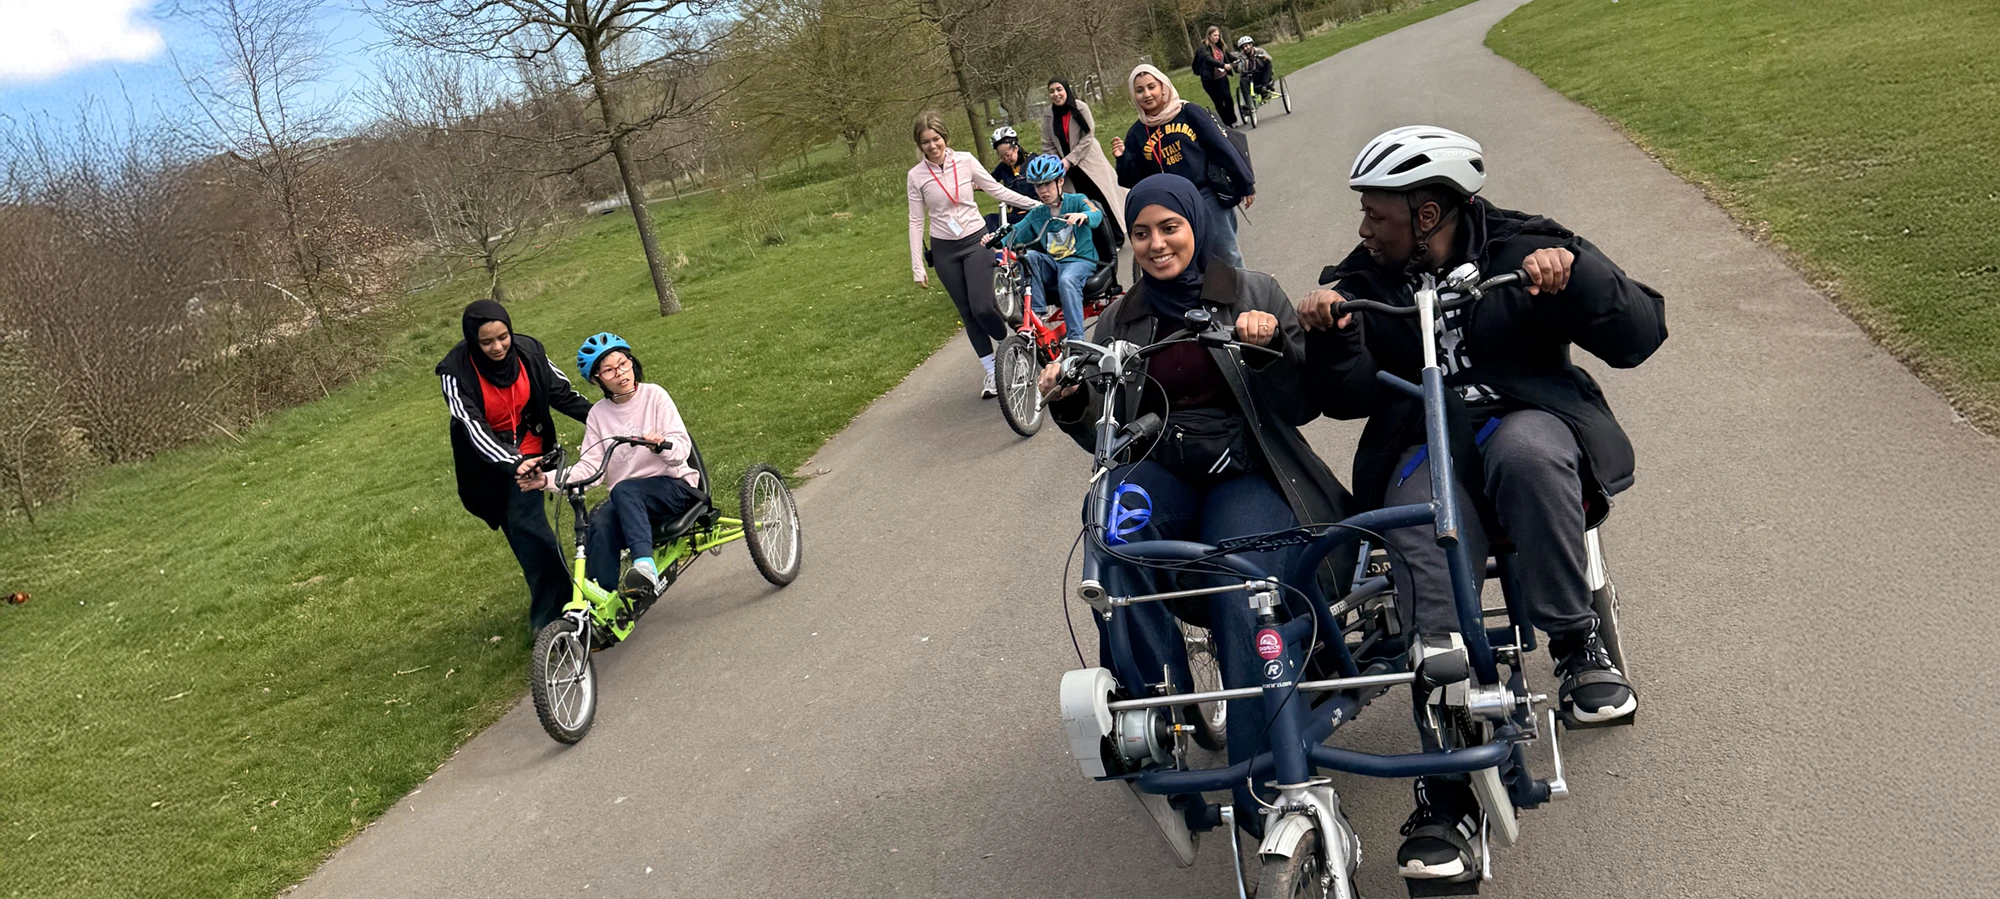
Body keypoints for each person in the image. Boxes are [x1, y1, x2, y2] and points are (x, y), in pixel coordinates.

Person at [1298, 125, 1667, 884]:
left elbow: (1641, 332)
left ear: (1428, 214)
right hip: (1425, 444)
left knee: (1530, 455)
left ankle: (1575, 643)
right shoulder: (1364, 277)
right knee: (1418, 521)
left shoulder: (1525, 246)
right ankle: (1448, 783)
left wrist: (1580, 276)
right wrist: (1334, 336)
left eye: (1380, 215)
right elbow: (1345, 396)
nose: (1365, 230)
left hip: (1520, 416)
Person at [1039, 173, 1352, 835]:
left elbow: (1303, 403)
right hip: (1165, 469)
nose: (1156, 244)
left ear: (1196, 227)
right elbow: (1107, 423)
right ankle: (1157, 706)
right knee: (1108, 519)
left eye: (1169, 228)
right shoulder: (1119, 318)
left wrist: (1268, 349)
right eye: (1142, 233)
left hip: (1249, 470)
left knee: (1245, 589)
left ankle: (1263, 786)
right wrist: (1070, 400)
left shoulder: (1250, 291)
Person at [514, 333, 705, 612]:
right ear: (596, 380)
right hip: (630, 500)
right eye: (609, 370)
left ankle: (644, 566)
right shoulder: (598, 415)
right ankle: (601, 608)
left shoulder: (655, 396)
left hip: (674, 488)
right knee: (599, 523)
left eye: (623, 363)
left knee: (623, 490)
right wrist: (546, 479)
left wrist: (659, 446)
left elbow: (680, 448)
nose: (620, 373)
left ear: (632, 362)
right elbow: (590, 467)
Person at [436, 299, 593, 632]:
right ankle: (555, 617)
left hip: (532, 447)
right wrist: (513, 462)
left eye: (503, 337)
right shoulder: (455, 370)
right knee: (527, 534)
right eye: (487, 341)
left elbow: (561, 393)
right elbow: (471, 425)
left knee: (529, 530)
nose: (498, 347)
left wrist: (609, 417)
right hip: (490, 463)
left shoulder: (529, 352)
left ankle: (561, 612)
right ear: (472, 341)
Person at [906, 110, 1040, 399]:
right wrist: (918, 265)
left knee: (982, 307)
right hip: (944, 249)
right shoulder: (915, 176)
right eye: (925, 141)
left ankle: (1011, 354)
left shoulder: (965, 161)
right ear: (920, 144)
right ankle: (992, 370)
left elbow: (996, 190)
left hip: (977, 241)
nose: (932, 146)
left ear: (945, 138)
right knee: (967, 313)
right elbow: (916, 220)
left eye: (936, 139)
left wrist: (1036, 205)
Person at [1111, 65, 1256, 270]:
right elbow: (1134, 181)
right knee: (1188, 262)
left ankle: (1244, 298)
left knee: (1226, 255)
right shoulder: (1137, 133)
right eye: (1140, 90)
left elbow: (1222, 148)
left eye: (1151, 87)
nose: (1147, 94)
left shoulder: (1188, 113)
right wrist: (1123, 158)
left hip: (1205, 196)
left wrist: (1245, 183)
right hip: (1170, 207)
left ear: (1163, 87)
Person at [996, 154, 1102, 328]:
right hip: (1054, 265)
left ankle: (1076, 339)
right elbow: (1015, 233)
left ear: (1060, 182)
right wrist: (995, 240)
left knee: (1067, 280)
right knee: (1028, 256)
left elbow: (1095, 214)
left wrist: (1083, 215)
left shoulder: (1077, 200)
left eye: (1047, 184)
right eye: (1038, 186)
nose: (1043, 191)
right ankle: (1038, 315)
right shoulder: (1037, 214)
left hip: (1081, 262)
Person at [1040, 78, 1128, 240]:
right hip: (1066, 169)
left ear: (1066, 90)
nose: (1056, 94)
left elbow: (1088, 137)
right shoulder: (1049, 114)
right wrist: (1056, 162)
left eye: (1059, 89)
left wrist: (1069, 160)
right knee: (1082, 204)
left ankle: (1116, 236)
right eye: (1051, 91)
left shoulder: (1080, 108)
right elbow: (1047, 143)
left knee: (1101, 199)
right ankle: (1097, 240)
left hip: (1087, 161)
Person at [985, 126, 1040, 234]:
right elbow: (988, 181)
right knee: (989, 220)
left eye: (1007, 155)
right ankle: (997, 249)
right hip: (1015, 215)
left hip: (1035, 212)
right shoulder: (1003, 167)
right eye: (1002, 157)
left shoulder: (1034, 161)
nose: (1005, 159)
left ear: (1016, 148)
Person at [1191, 25, 1239, 127]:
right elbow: (1208, 59)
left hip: (1221, 77)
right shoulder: (1203, 47)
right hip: (1209, 79)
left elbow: (1227, 56)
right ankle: (1226, 123)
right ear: (1209, 35)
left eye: (1218, 35)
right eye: (1214, 35)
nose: (1216, 38)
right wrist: (1223, 65)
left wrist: (1236, 60)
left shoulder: (1220, 45)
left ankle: (1232, 119)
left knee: (1227, 98)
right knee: (1218, 102)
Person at [1234, 35, 1275, 100]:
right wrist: (1235, 66)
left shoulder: (1260, 51)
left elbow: (1270, 58)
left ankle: (1264, 87)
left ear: (1251, 44)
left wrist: (1264, 57)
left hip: (1262, 75)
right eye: (1242, 47)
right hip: (1250, 77)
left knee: (1268, 64)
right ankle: (1248, 102)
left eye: (1246, 46)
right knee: (1242, 80)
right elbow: (1239, 69)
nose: (1245, 49)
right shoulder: (1240, 57)